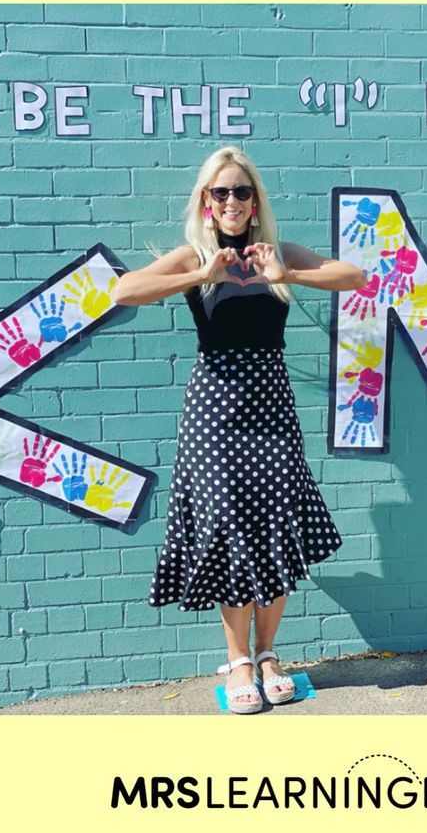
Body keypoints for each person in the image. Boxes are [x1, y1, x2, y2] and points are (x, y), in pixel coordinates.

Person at [113, 146, 365, 713]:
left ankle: (271, 653)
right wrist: (203, 273)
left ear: (255, 202)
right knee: (228, 528)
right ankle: (240, 661)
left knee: (276, 523)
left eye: (242, 191)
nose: (232, 201)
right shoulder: (195, 256)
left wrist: (287, 273)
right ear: (206, 202)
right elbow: (124, 290)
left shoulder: (275, 252)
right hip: (214, 411)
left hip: (271, 404)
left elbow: (356, 275)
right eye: (220, 192)